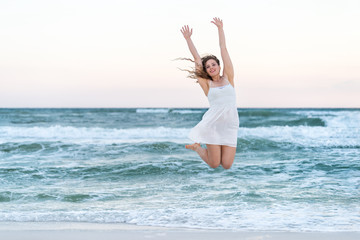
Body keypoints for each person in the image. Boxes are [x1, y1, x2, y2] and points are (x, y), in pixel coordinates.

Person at [180, 17, 239, 169]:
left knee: (226, 165)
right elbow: (197, 58)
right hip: (213, 125)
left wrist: (220, 29)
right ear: (205, 70)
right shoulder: (207, 84)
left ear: (219, 66)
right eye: (208, 66)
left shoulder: (229, 77)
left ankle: (201, 149)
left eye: (214, 64)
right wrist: (188, 39)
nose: (211, 67)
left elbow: (223, 48)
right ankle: (197, 148)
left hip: (230, 125)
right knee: (214, 164)